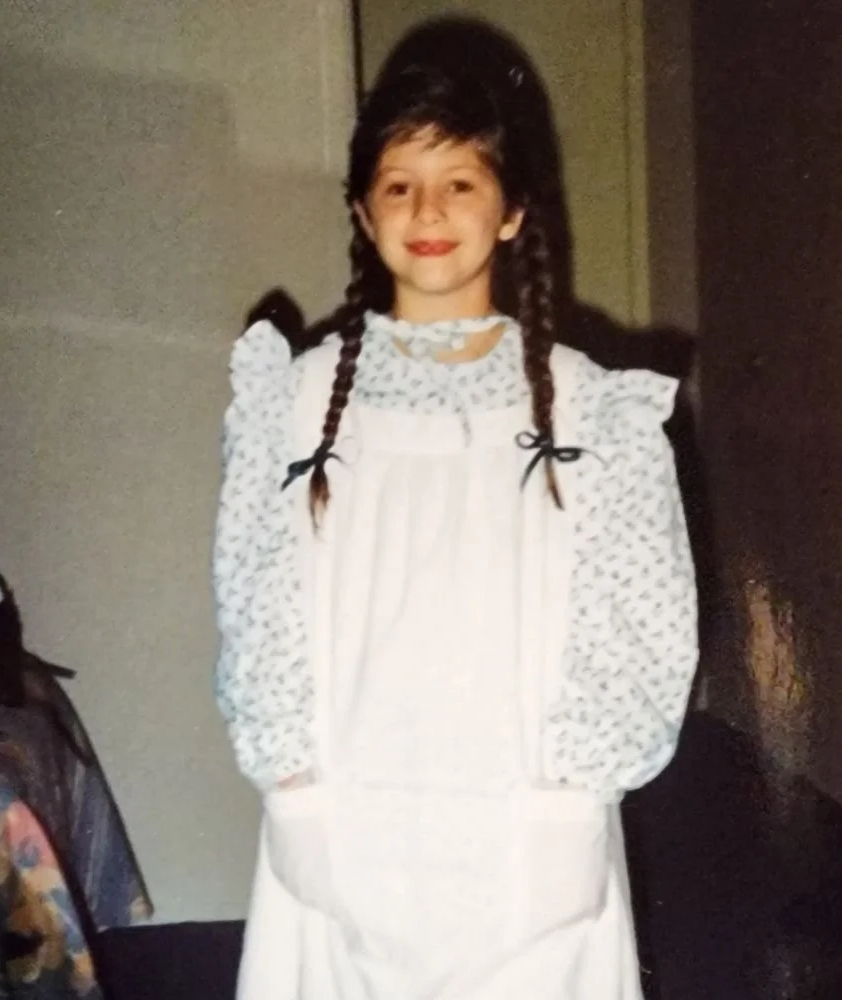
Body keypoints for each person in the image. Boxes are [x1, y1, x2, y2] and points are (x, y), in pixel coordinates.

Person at [213, 58, 697, 1000]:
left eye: (460, 183)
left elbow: (641, 626)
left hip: (523, 829)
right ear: (362, 211)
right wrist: (294, 784)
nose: (428, 212)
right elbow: (254, 596)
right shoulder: (296, 402)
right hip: (347, 815)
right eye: (399, 185)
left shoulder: (594, 414)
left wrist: (573, 792)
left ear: (512, 211)